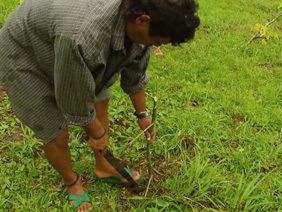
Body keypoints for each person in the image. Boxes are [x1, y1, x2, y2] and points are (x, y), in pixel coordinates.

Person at [0, 0, 200, 211]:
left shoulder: (141, 24)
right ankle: (72, 182)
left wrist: (142, 115)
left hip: (61, 40)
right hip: (23, 52)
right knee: (54, 130)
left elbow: (135, 72)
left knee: (100, 99)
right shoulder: (85, 36)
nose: (157, 45)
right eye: (158, 40)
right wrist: (96, 133)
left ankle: (104, 167)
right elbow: (74, 96)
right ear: (143, 20)